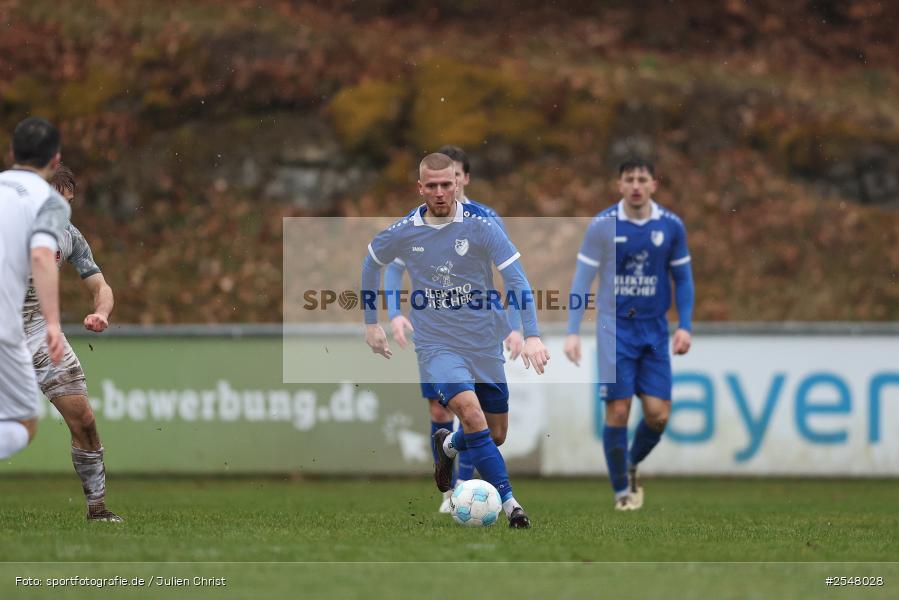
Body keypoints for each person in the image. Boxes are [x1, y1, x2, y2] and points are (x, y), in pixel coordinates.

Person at [362, 152, 550, 528]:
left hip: (483, 342)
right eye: (431, 185)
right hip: (437, 345)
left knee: (495, 434)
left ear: (458, 183)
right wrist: (373, 322)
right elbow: (372, 263)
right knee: (471, 412)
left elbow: (516, 281)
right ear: (420, 187)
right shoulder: (403, 231)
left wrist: (531, 334)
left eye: (446, 184)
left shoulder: (482, 227)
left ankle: (448, 446)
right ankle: (512, 505)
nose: (440, 192)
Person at [564, 158, 694, 511]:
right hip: (614, 328)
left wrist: (684, 325)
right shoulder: (603, 226)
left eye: (642, 179)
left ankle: (631, 463)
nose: (636, 185)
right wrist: (572, 330)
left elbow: (682, 278)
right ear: (619, 185)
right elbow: (582, 279)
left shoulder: (671, 226)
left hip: (653, 329)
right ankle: (622, 491)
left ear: (654, 184)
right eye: (629, 179)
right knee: (618, 411)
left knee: (658, 416)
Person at [21, 164, 123, 522]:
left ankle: (98, 510)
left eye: (68, 204)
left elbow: (101, 286)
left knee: (84, 419)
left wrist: (102, 312)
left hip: (38, 333)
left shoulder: (68, 236)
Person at [0, 117, 70, 461]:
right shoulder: (50, 201)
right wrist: (53, 324)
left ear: (11, 152)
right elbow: (43, 255)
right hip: (3, 326)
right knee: (24, 421)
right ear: (55, 160)